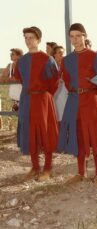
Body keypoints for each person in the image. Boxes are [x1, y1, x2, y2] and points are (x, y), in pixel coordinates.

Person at [58, 23, 97, 186]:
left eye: (78, 35)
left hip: (91, 100)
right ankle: (81, 172)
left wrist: (92, 97)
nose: (75, 39)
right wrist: (77, 94)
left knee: (96, 136)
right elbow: (66, 82)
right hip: (73, 101)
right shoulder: (66, 60)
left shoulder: (96, 57)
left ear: (85, 36)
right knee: (78, 137)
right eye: (72, 36)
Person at [14, 26, 59, 181]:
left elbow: (54, 82)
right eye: (26, 38)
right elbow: (22, 79)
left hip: (42, 100)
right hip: (27, 99)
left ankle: (47, 168)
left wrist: (43, 95)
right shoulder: (21, 61)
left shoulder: (47, 59)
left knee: (45, 133)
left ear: (38, 39)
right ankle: (35, 167)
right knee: (30, 132)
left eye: (31, 37)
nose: (28, 41)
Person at [0, 48, 23, 129]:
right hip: (14, 98)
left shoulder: (23, 65)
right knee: (15, 118)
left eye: (13, 54)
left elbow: (21, 78)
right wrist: (8, 78)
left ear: (19, 56)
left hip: (23, 98)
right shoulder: (10, 66)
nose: (10, 55)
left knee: (24, 119)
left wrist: (11, 79)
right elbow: (2, 78)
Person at [52, 45, 67, 124]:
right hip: (55, 95)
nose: (62, 55)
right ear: (54, 54)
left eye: (63, 53)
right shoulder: (50, 67)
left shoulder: (67, 66)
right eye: (60, 53)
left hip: (65, 94)